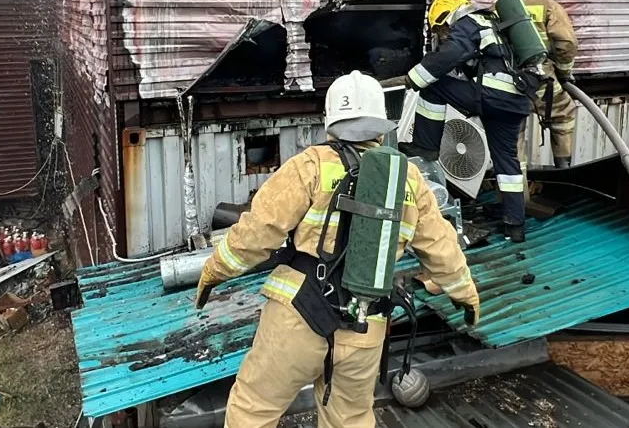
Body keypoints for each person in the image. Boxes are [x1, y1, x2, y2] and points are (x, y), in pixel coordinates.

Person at [195, 70, 480, 428]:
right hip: (367, 326)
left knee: (253, 409)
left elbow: (257, 232)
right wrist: (465, 294)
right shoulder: (409, 178)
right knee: (351, 420)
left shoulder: (310, 165)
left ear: (331, 120)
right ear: (381, 123)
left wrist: (214, 271)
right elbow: (442, 249)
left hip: (298, 317)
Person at [394, 0, 532, 242]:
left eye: (442, 30)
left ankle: (425, 147)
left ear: (449, 17)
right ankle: (515, 226)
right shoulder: (494, 23)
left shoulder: (470, 22)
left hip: (493, 95)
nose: (444, 36)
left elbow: (450, 54)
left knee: (430, 85)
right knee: (507, 163)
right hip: (516, 101)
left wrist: (414, 77)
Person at [502, 0, 579, 171]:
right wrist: (564, 73)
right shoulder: (548, 6)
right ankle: (563, 171)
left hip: (507, 81)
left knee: (513, 132)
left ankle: (518, 189)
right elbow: (567, 43)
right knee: (564, 114)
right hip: (542, 81)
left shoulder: (495, 7)